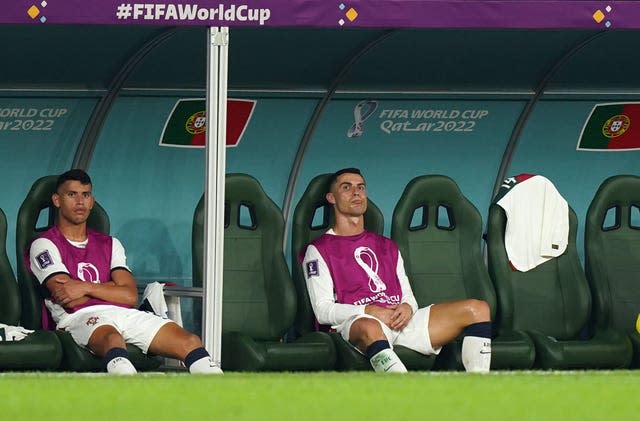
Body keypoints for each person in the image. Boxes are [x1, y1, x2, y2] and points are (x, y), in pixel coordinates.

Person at [28, 169, 222, 375]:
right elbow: (70, 298)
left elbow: (129, 296)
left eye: (85, 195)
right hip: (78, 317)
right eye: (72, 194)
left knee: (190, 342)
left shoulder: (110, 244)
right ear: (57, 200)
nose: (80, 201)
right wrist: (112, 289)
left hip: (125, 313)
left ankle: (225, 402)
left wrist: (84, 287)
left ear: (92, 201)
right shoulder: (44, 244)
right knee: (113, 340)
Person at [301, 168, 492, 373]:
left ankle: (479, 388)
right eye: (346, 187)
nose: (356, 193)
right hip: (359, 322)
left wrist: (408, 308)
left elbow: (407, 294)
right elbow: (322, 311)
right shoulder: (319, 249)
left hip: (400, 320)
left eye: (361, 187)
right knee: (369, 326)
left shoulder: (387, 246)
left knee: (478, 309)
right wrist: (369, 310)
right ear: (331, 197)